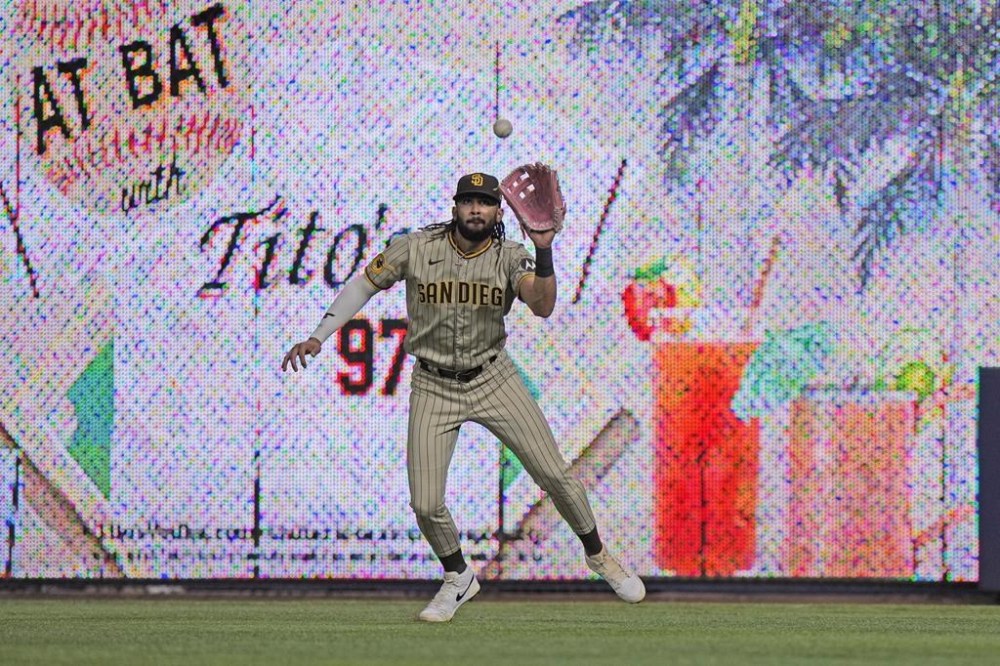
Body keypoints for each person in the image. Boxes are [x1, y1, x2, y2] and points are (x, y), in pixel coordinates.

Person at [282, 171, 645, 622]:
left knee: (557, 476)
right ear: (455, 207)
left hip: (494, 379)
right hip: (434, 384)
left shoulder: (511, 255)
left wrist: (545, 247)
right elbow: (363, 284)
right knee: (426, 503)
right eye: (468, 201)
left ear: (497, 211)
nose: (476, 209)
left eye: (485, 202)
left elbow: (543, 303)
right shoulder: (416, 247)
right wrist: (319, 336)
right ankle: (458, 576)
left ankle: (598, 555)